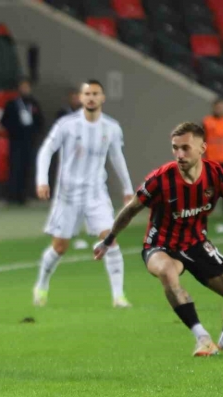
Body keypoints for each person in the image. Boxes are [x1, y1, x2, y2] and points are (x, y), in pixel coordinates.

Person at [93, 122, 223, 357]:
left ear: (202, 148)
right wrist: (108, 240)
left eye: (185, 148)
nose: (179, 154)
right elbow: (130, 210)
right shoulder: (160, 179)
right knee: (167, 272)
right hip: (161, 245)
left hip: (197, 244)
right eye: (175, 148)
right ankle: (202, 338)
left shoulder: (215, 174)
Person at [33, 80, 134, 309]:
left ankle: (119, 296)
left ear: (103, 98)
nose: (91, 97)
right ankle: (41, 285)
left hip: (96, 194)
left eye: (95, 93)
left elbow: (117, 158)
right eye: (87, 93)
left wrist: (127, 188)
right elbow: (47, 150)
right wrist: (42, 180)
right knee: (60, 247)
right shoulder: (66, 125)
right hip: (67, 195)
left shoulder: (111, 127)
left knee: (110, 239)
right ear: (80, 97)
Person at [1, 78, 44, 205]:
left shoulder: (34, 104)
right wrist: (15, 130)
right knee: (15, 168)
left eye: (27, 87)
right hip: (16, 142)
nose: (25, 89)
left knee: (27, 168)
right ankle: (12, 196)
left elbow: (40, 121)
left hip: (29, 141)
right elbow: (4, 121)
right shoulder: (12, 104)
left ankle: (23, 196)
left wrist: (33, 133)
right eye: (22, 87)